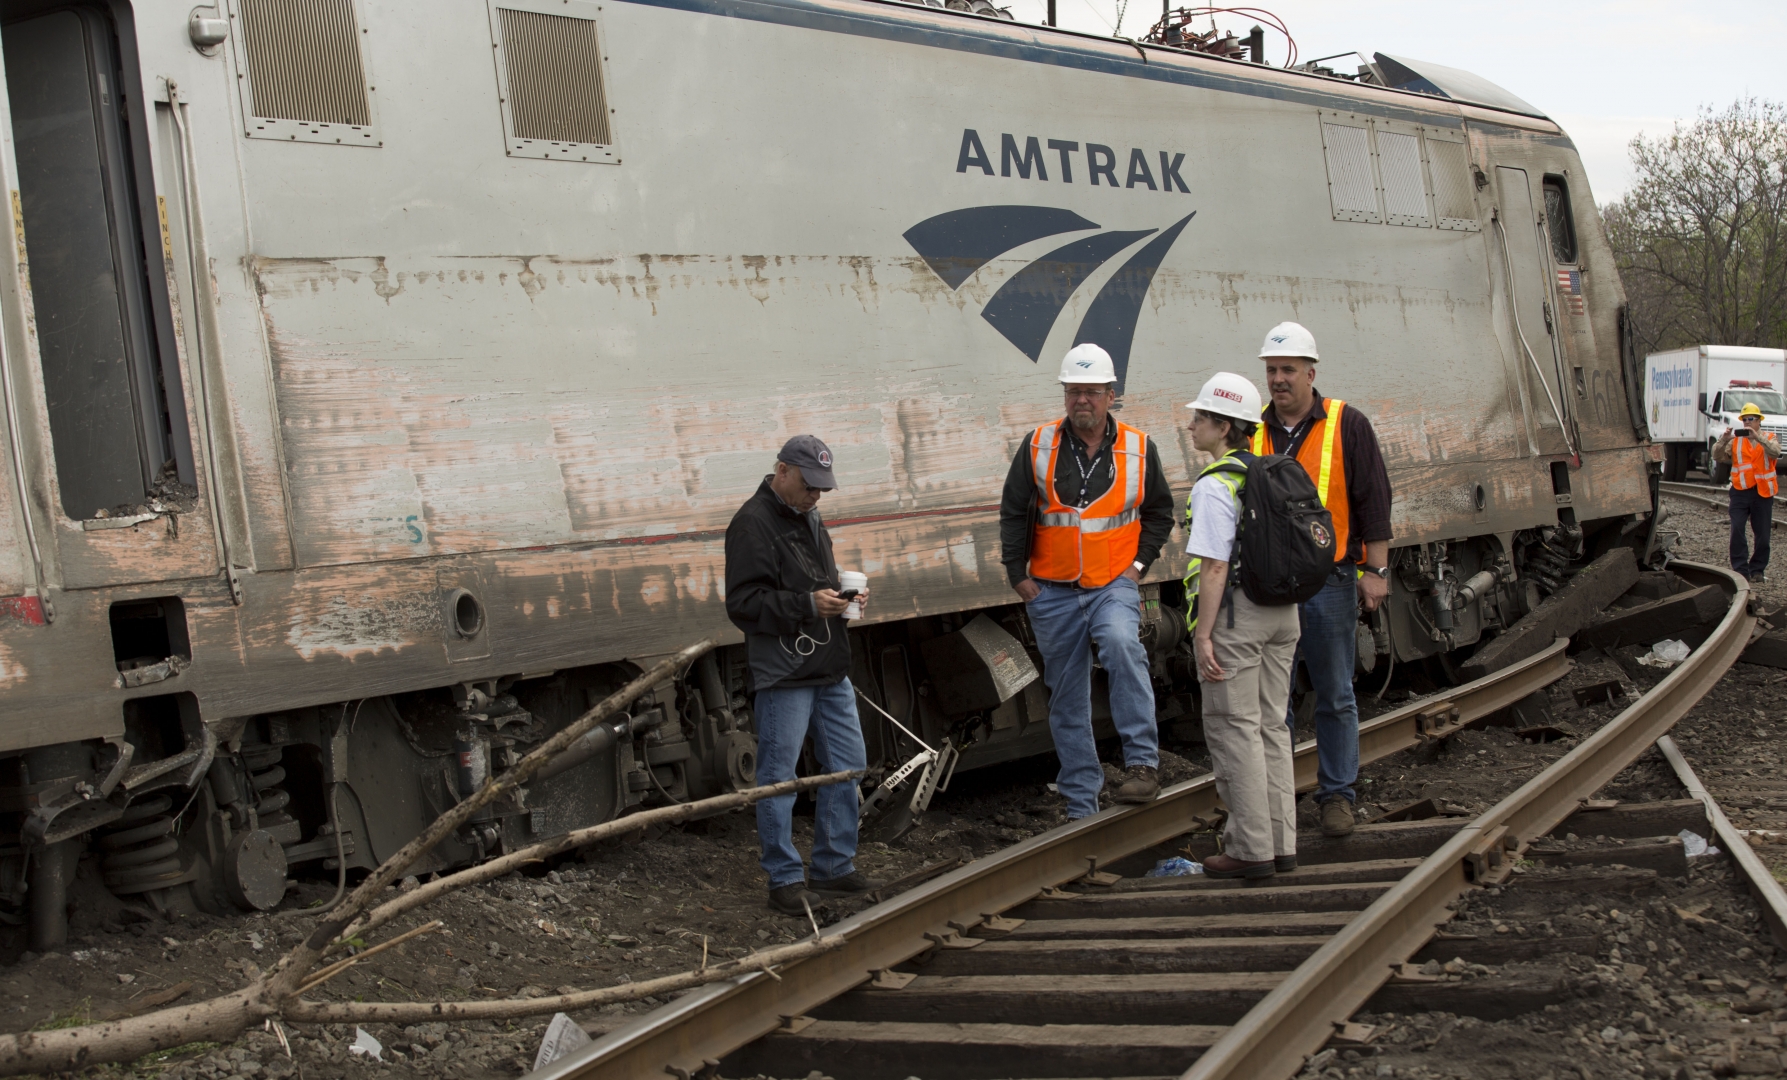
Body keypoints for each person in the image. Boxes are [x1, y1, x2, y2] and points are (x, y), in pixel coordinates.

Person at [998, 342, 1177, 819]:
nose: (1082, 400)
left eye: (1092, 392)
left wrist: (1138, 567)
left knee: (1122, 644)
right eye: (1073, 391)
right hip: (1050, 591)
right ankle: (1081, 801)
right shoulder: (1038, 445)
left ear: (1111, 395)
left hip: (1111, 583)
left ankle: (1142, 765)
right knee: (1067, 694)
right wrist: (1018, 575)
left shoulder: (1139, 448)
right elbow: (1014, 510)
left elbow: (1160, 512)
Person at [724, 435, 876, 914]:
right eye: (810, 485)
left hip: (826, 663)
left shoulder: (807, 515)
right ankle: (784, 879)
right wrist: (807, 604)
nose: (816, 496)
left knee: (848, 765)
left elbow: (811, 581)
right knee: (779, 776)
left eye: (822, 488)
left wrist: (841, 598)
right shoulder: (751, 523)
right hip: (785, 669)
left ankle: (833, 866)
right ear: (783, 471)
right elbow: (742, 605)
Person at [1253, 322, 1393, 838]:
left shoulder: (1345, 423)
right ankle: (1278, 801)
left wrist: (1375, 571)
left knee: (1335, 693)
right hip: (1268, 587)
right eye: (1271, 370)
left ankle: (1337, 796)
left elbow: (1373, 501)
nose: (1279, 380)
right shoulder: (1253, 429)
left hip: (1331, 579)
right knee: (1275, 698)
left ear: (1311, 373)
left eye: (1288, 370)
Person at [1183, 373, 1301, 879]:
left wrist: (1203, 634)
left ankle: (1250, 851)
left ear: (1224, 426)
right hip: (1283, 615)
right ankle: (1281, 845)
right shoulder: (1271, 471)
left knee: (1235, 731)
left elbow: (1213, 567)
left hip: (1238, 618)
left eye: (1200, 418)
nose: (1191, 426)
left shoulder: (1215, 485)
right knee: (1273, 728)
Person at [1713, 402, 1779, 583]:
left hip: (1762, 493)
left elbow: (1775, 452)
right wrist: (1724, 439)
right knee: (1737, 529)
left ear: (1759, 421)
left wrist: (1758, 438)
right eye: (1745, 419)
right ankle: (1741, 570)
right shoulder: (1735, 440)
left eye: (1751, 419)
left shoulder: (1769, 437)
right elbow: (1717, 456)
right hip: (1740, 493)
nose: (1748, 422)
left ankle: (1757, 570)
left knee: (1763, 536)